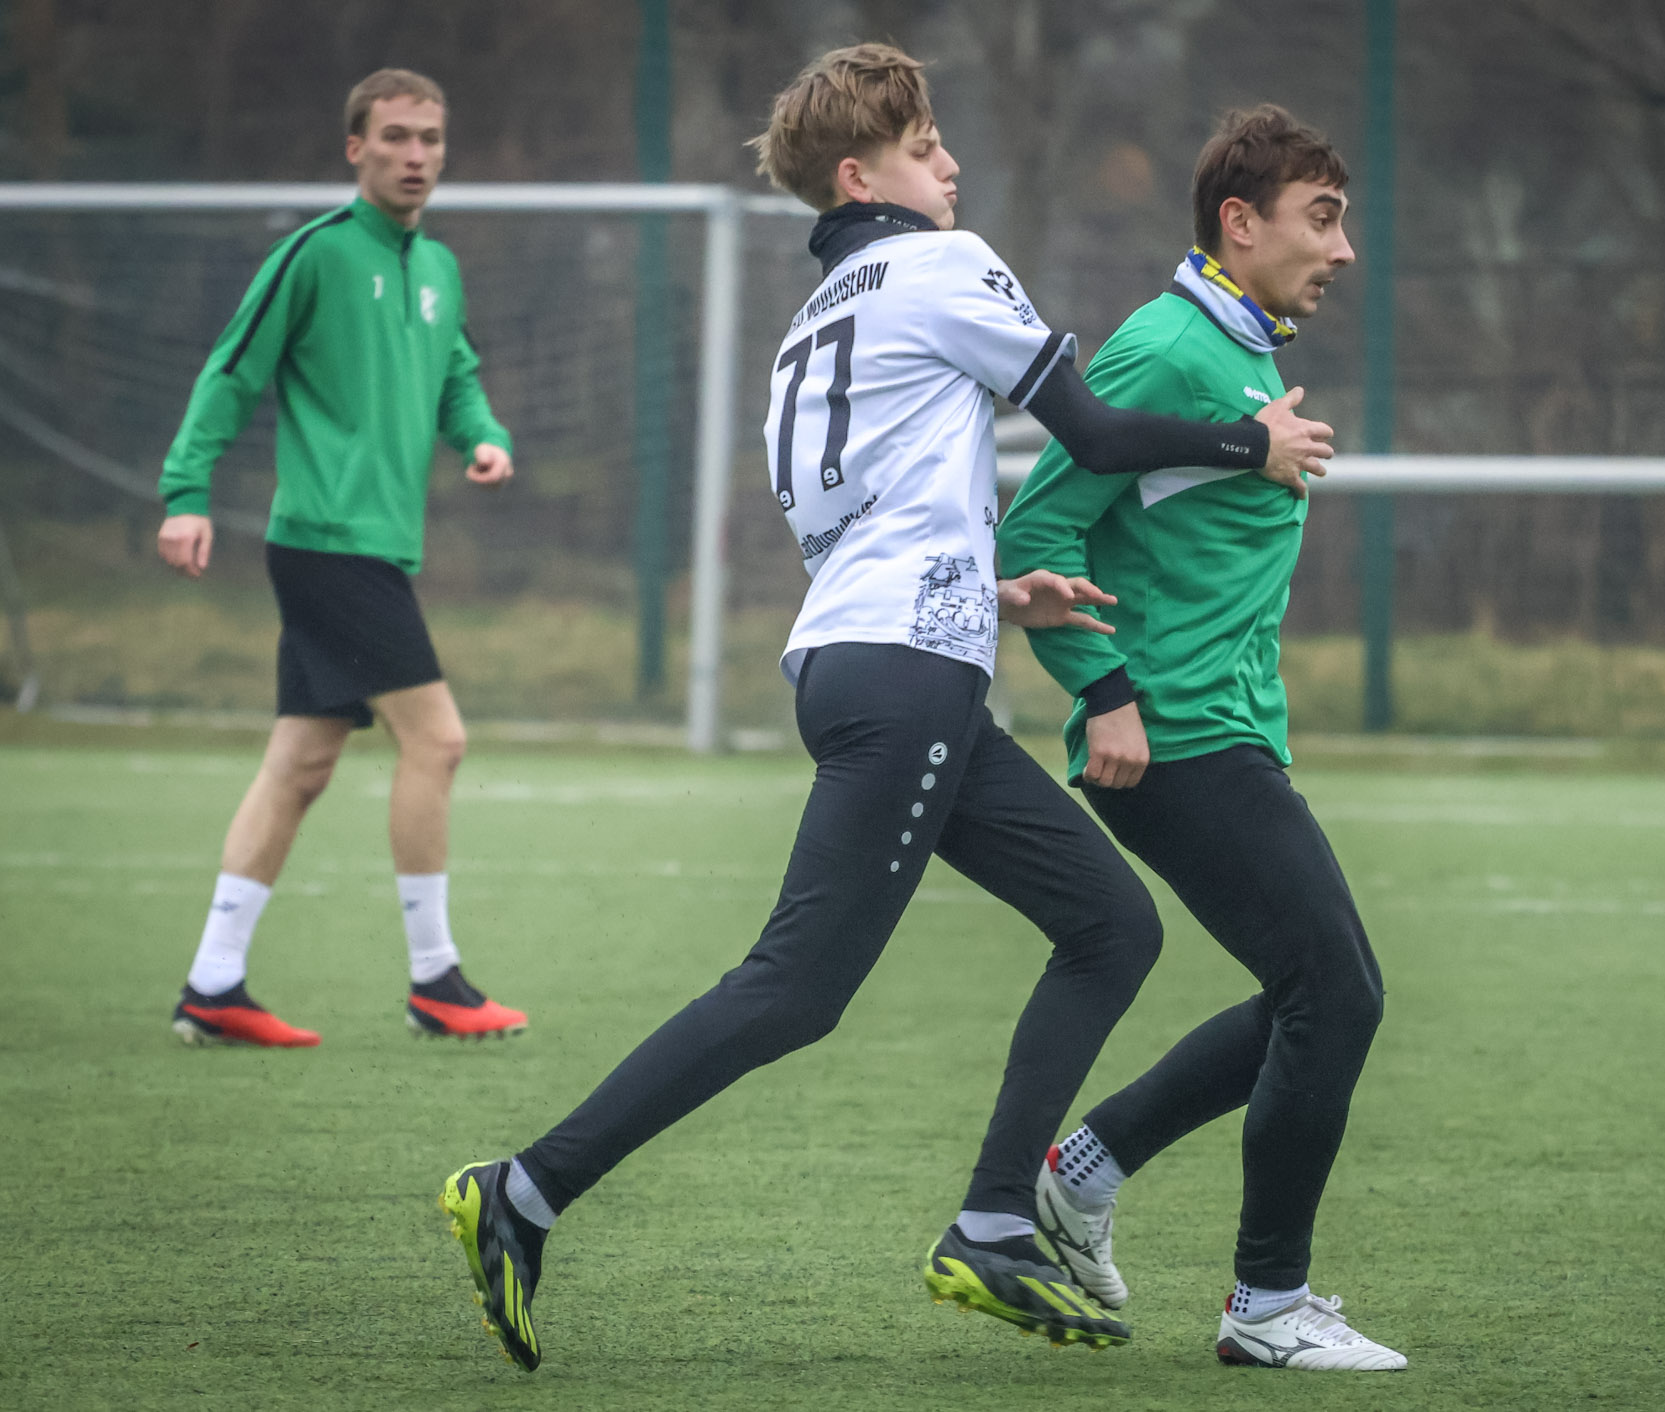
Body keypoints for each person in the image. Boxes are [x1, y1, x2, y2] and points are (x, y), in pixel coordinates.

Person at [435, 44, 1336, 1371]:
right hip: (906, 673)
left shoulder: (811, 327)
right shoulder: (943, 265)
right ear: (861, 178)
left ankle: (995, 1215)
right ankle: (525, 1189)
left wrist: (1000, 591)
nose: (950, 165)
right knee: (794, 985)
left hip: (874, 658)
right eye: (924, 147)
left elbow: (875, 518)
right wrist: (1249, 443)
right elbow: (1092, 433)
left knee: (1109, 924)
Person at [996, 105, 1405, 1372]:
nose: (1342, 249)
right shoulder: (1167, 347)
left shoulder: (1236, 352)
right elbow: (1033, 534)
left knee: (1311, 992)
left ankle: (1084, 1167)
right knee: (1334, 992)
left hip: (1225, 733)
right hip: (1167, 739)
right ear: (1239, 223)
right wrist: (1104, 689)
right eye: (1320, 219)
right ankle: (1266, 1306)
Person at [157, 69, 527, 1046]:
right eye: (395, 136)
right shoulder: (315, 254)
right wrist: (186, 494)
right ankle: (436, 979)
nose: (416, 155)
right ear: (355, 148)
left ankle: (212, 984)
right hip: (326, 544)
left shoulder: (438, 266)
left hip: (375, 549)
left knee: (302, 762)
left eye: (430, 138)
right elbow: (231, 372)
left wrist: (483, 437)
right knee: (437, 741)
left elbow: (457, 378)